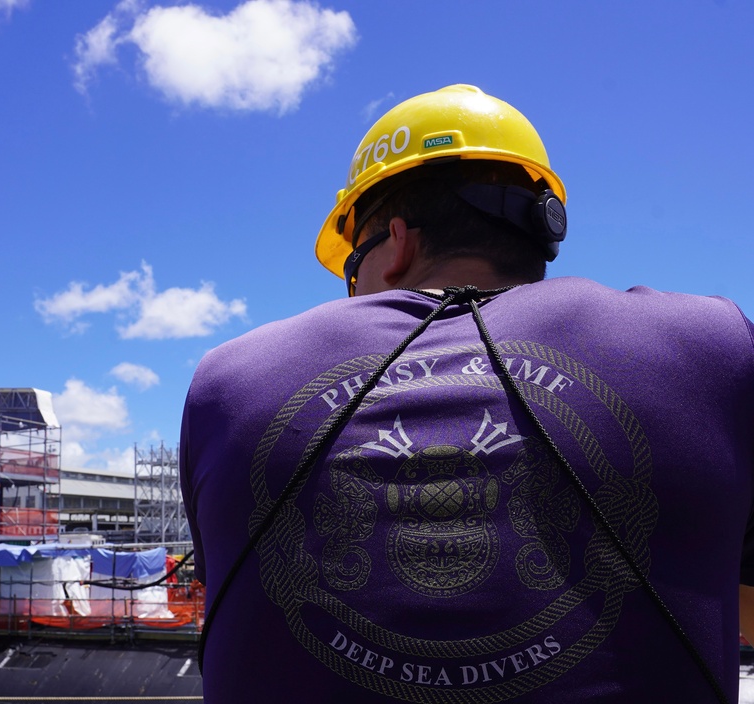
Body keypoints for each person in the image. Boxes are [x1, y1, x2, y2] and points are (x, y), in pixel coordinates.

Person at [179, 84, 754, 703]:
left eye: (352, 266)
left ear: (396, 243)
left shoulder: (230, 381)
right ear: (538, 235)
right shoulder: (710, 345)